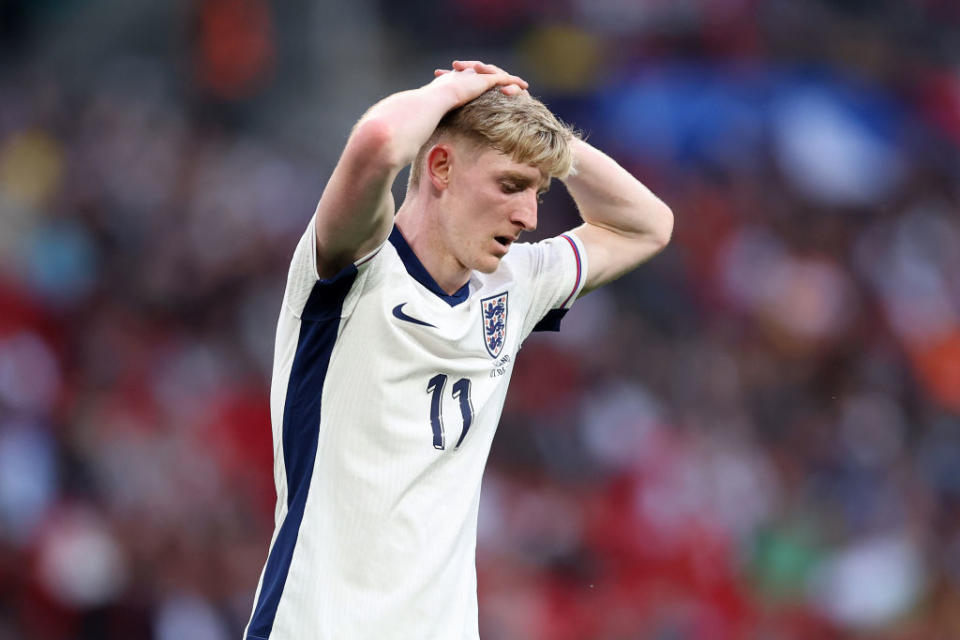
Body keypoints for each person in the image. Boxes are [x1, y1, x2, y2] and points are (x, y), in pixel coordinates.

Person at [244, 60, 673, 639]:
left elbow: (648, 226)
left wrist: (551, 142)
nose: (528, 216)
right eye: (510, 185)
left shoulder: (512, 287)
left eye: (539, 191)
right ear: (440, 166)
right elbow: (377, 142)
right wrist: (453, 89)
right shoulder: (354, 270)